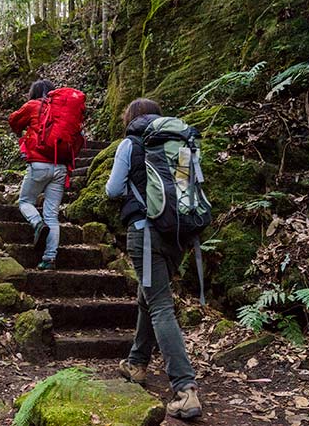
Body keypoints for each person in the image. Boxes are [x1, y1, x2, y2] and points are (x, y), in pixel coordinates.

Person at [105, 98, 202, 420]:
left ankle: (185, 390)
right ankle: (136, 364)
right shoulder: (179, 143)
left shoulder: (130, 145)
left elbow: (112, 189)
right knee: (149, 297)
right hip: (179, 234)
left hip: (144, 231)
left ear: (131, 118)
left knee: (159, 303)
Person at [8, 79, 65, 270]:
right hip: (61, 166)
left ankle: (36, 223)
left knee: (25, 201)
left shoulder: (32, 105)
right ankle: (49, 259)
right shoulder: (62, 108)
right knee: (52, 215)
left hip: (39, 163)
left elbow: (13, 121)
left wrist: (21, 130)